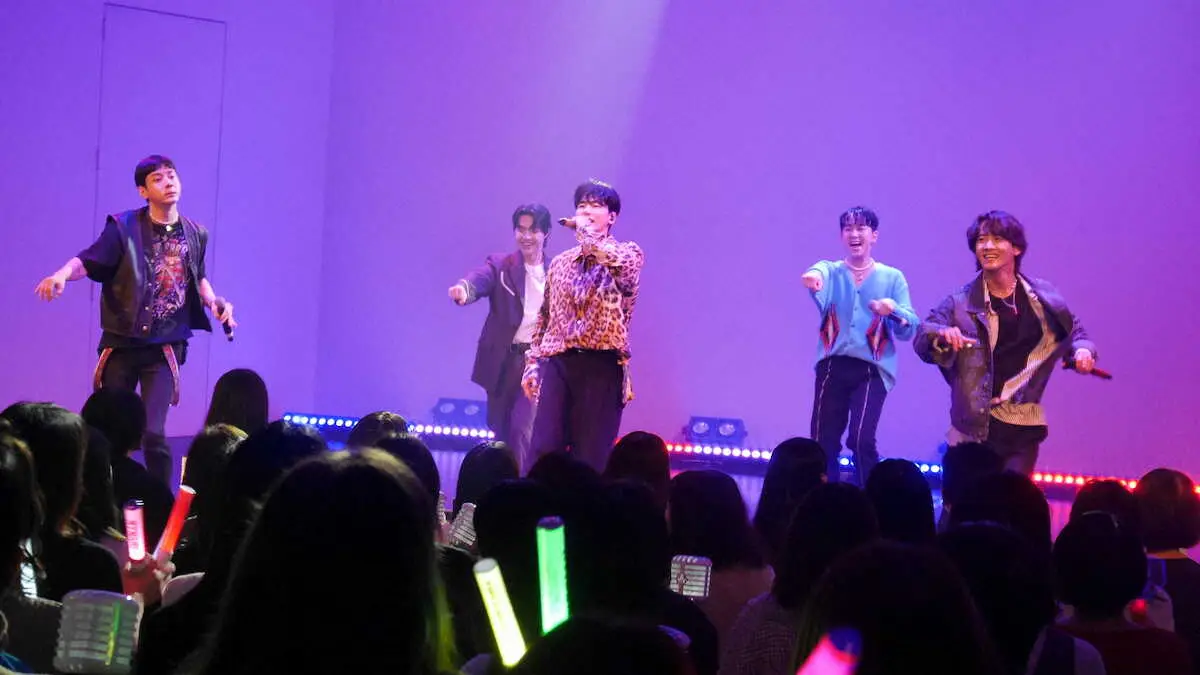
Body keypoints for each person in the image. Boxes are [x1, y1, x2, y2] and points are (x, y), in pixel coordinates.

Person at [34, 155, 236, 486]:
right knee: (110, 431)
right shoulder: (123, 228)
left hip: (164, 347)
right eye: (158, 178)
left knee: (154, 433)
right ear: (143, 191)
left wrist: (214, 302)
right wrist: (61, 275)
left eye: (172, 176)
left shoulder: (195, 233)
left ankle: (160, 499)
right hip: (122, 344)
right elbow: (88, 261)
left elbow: (197, 276)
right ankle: (101, 494)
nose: (168, 182)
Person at [914, 211, 1097, 475]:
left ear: (1016, 248)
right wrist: (942, 334)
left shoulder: (1043, 298)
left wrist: (1082, 352)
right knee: (969, 498)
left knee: (1013, 498)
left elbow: (1076, 332)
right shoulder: (960, 302)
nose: (987, 246)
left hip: (1022, 428)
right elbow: (923, 335)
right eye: (981, 240)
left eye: (997, 239)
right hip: (973, 430)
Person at [521, 179, 644, 471]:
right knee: (543, 451)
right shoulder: (560, 263)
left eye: (595, 206)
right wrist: (532, 364)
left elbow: (614, 261)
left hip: (601, 365)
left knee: (589, 457)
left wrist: (586, 233)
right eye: (581, 205)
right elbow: (545, 317)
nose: (586, 211)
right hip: (559, 363)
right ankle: (537, 501)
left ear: (612, 217)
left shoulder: (628, 255)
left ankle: (583, 502)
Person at [800, 207, 918, 485]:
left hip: (872, 370)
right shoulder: (831, 271)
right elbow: (817, 272)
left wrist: (892, 310)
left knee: (861, 439)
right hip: (833, 366)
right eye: (848, 229)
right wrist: (812, 278)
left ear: (874, 235)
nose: (854, 234)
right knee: (823, 439)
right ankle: (822, 499)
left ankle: (871, 499)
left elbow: (910, 327)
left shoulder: (892, 277)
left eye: (861, 228)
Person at [449, 204, 552, 471]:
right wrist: (465, 290)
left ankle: (519, 486)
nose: (526, 236)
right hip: (502, 362)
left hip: (535, 364)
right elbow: (480, 278)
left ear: (546, 233)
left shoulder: (555, 271)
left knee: (522, 428)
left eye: (533, 230)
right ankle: (501, 483)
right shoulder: (501, 265)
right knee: (500, 429)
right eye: (521, 229)